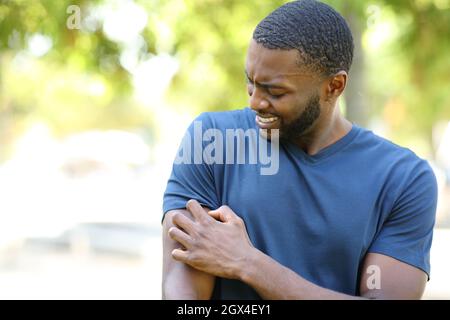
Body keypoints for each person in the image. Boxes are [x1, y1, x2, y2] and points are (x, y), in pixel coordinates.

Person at [162, 0, 437, 300]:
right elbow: (184, 298)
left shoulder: (403, 179)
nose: (255, 102)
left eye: (275, 91)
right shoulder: (212, 141)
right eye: (251, 82)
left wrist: (250, 263)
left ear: (334, 86)